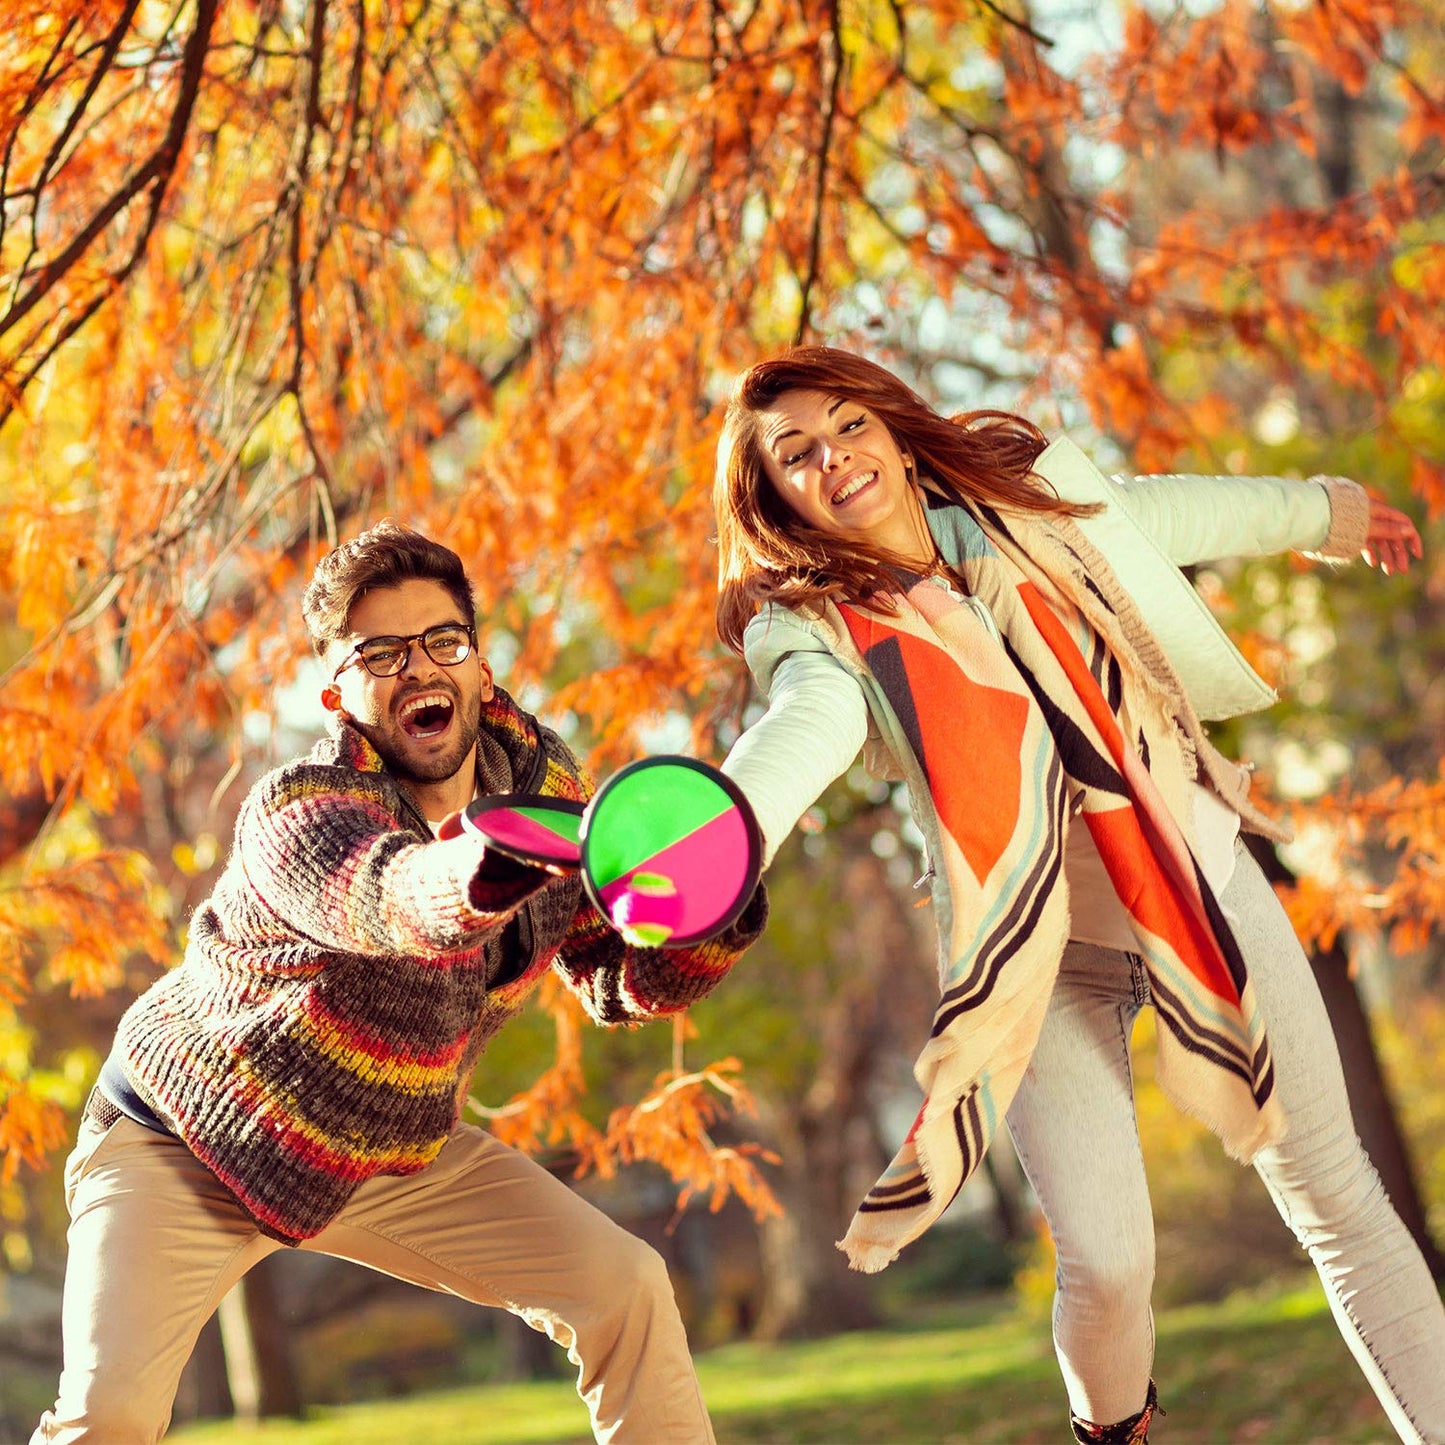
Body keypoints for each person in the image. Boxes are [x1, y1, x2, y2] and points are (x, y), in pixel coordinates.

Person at [712, 345, 1444, 1444]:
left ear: (892, 428)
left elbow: (1163, 514)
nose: (834, 459)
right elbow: (797, 733)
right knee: (1108, 1266)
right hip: (1032, 951)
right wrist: (713, 834)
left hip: (1192, 881)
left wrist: (1328, 510)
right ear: (777, 497)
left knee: (1337, 1195)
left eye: (846, 424)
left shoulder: (1021, 495)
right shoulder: (812, 629)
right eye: (796, 454)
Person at [34, 521, 766, 1445]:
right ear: (339, 690)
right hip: (184, 1144)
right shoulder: (298, 809)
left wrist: (716, 907)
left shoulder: (540, 782)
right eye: (381, 653)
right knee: (108, 1418)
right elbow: (384, 897)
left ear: (480, 667)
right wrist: (477, 873)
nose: (419, 667)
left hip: (384, 1152)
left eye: (441, 642)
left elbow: (616, 976)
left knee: (623, 1285)